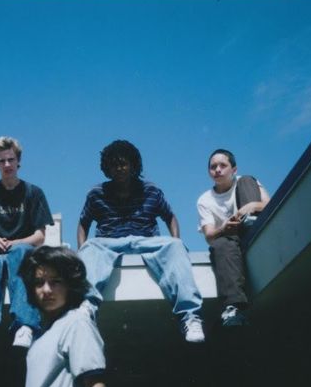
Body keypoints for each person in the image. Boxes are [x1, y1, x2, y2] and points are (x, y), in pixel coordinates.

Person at [77, 140, 205, 343]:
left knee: (176, 245)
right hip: (109, 242)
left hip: (146, 240)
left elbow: (170, 217)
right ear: (107, 168)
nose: (119, 168)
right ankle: (86, 308)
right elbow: (83, 224)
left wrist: (175, 240)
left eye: (124, 163)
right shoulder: (96, 194)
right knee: (89, 247)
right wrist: (82, 252)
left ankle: (189, 316)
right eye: (114, 164)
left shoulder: (151, 190)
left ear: (133, 165)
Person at [19, 246, 107, 387]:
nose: (46, 290)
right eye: (39, 283)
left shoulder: (77, 323)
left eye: (55, 281)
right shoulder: (40, 336)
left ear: (70, 284)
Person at [0, 137, 54, 350]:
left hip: (22, 251)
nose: (6, 165)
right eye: (1, 161)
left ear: (18, 161)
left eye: (10, 160)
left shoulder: (33, 192)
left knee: (22, 251)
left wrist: (15, 242)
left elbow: (40, 236)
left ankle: (25, 326)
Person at [197, 149, 270, 326]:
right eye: (213, 167)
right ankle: (233, 308)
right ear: (209, 172)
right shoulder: (205, 200)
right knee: (219, 244)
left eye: (223, 165)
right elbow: (209, 236)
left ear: (234, 169)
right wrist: (223, 228)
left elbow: (269, 205)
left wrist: (252, 206)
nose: (218, 170)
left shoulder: (245, 181)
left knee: (247, 180)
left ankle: (251, 222)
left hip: (254, 227)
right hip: (232, 240)